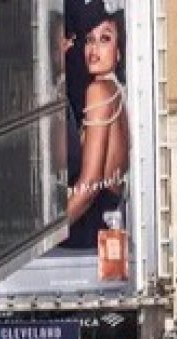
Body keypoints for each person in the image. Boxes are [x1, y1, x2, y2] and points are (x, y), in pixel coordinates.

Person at [60, 0, 129, 250]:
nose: (94, 49)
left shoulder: (99, 92)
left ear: (119, 51)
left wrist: (47, 235)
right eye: (90, 39)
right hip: (101, 227)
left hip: (86, 230)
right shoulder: (115, 92)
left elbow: (88, 188)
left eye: (105, 39)